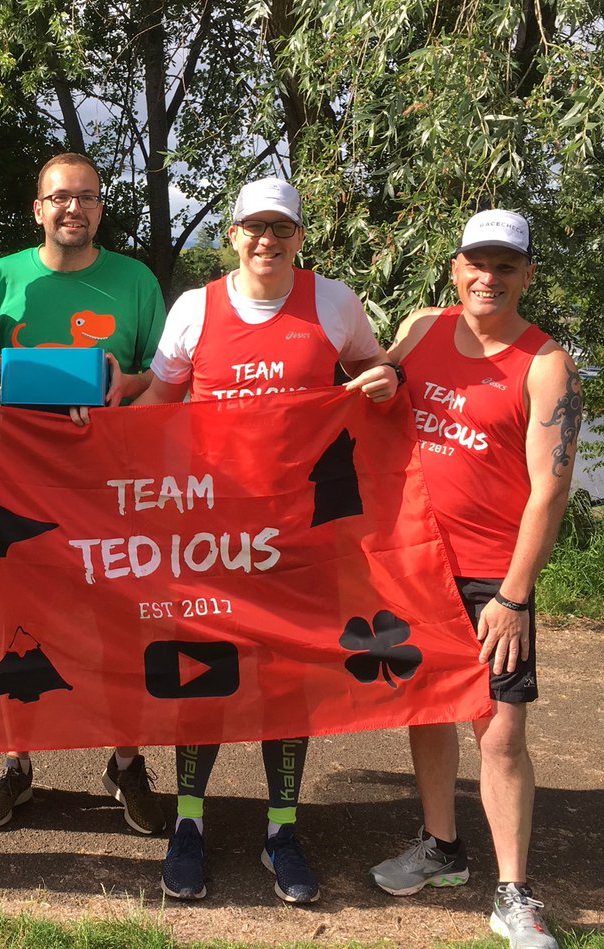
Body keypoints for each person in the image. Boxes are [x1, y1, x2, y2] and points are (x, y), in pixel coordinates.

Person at [133, 176, 401, 904]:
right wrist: (91, 442)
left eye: (282, 228)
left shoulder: (334, 303)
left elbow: (373, 373)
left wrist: (385, 379)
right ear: (233, 234)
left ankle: (282, 829)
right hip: (211, 536)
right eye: (255, 227)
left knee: (288, 680)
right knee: (205, 673)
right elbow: (158, 404)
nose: (267, 240)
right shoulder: (195, 309)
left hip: (299, 536)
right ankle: (190, 822)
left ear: (299, 237)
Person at [369, 209, 581, 949]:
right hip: (413, 562)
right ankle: (441, 848)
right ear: (456, 267)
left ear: (526, 275)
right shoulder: (420, 327)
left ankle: (514, 893)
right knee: (427, 711)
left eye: (505, 265)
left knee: (501, 733)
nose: (489, 277)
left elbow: (550, 490)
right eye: (477, 263)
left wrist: (515, 596)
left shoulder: (545, 363)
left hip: (493, 575)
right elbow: (376, 393)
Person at [0, 152, 168, 834]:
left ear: (101, 208)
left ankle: (126, 763)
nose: (73, 208)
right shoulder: (2, 278)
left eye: (86, 197)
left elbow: (165, 376)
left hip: (110, 485)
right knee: (18, 628)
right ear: (38, 209)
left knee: (121, 627)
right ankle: (17, 766)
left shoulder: (136, 281)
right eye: (59, 197)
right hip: (17, 485)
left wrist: (124, 383)